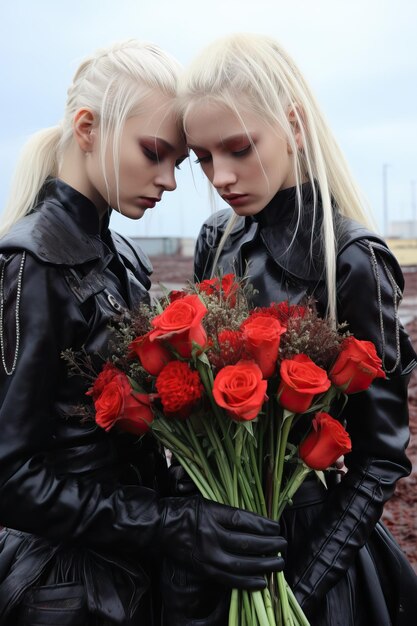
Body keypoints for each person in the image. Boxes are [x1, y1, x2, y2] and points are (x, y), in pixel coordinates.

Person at [0, 39, 287, 626]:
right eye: (153, 153)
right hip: (66, 592)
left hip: (134, 578)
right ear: (87, 128)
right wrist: (175, 524)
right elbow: (9, 478)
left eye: (177, 162)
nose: (171, 181)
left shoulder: (121, 257)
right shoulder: (32, 264)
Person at [177, 33, 417, 626]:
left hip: (313, 552)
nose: (221, 176)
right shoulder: (217, 240)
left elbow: (380, 459)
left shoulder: (353, 259)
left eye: (238, 148)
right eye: (204, 158)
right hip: (214, 542)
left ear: (295, 125)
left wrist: (303, 590)